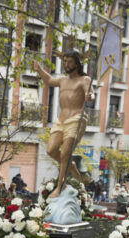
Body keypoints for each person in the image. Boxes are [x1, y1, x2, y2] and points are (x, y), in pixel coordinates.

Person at [33, 50, 92, 198]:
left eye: (69, 62)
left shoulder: (84, 80)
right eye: (64, 61)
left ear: (77, 63)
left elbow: (90, 92)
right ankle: (71, 166)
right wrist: (39, 70)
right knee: (51, 150)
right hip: (61, 120)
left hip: (76, 118)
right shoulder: (62, 80)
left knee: (65, 153)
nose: (66, 64)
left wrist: (90, 96)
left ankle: (60, 187)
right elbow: (49, 81)